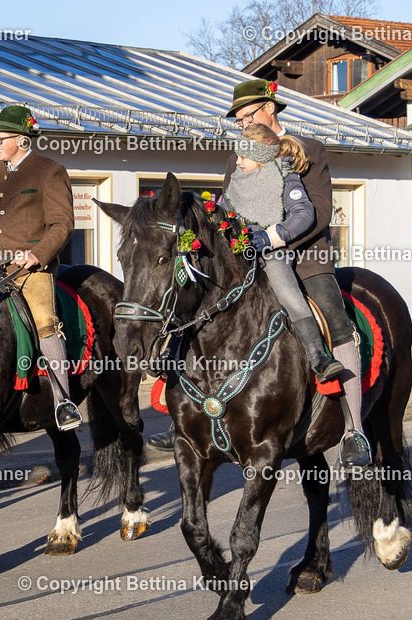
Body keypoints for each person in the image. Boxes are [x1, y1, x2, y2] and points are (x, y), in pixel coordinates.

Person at [150, 79, 371, 469]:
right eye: (238, 120)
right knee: (198, 307)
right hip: (249, 257)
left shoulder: (310, 149)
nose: (243, 124)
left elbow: (319, 211)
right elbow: (228, 212)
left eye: (247, 115)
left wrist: (274, 239)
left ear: (270, 107)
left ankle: (355, 430)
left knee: (337, 322)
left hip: (304, 256)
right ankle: (184, 416)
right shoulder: (238, 157)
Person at [0, 105, 82, 431]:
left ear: (22, 140)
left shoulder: (50, 171)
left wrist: (37, 254)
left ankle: (63, 401)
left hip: (29, 270)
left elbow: (62, 223)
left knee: (44, 322)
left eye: (0, 139)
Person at [224, 124, 343, 382]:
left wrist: (268, 237)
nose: (238, 161)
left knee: (290, 295)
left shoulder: (286, 177)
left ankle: (318, 357)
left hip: (270, 254)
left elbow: (304, 214)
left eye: (243, 157)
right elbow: (225, 212)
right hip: (238, 254)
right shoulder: (236, 181)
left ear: (259, 156)